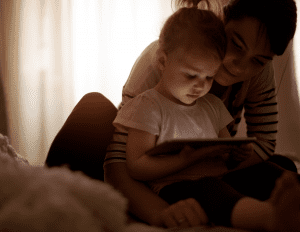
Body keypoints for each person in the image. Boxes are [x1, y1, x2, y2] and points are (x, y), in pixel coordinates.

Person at [104, 0, 299, 229]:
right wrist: (162, 212)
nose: (240, 67)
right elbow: (119, 161)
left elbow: (264, 142)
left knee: (281, 169)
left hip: (212, 168)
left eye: (257, 61)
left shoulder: (224, 96)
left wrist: (228, 157)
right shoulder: (166, 62)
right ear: (218, 18)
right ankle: (266, 218)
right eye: (235, 44)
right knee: (210, 189)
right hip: (171, 178)